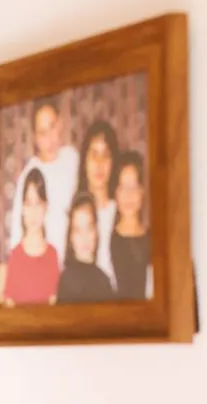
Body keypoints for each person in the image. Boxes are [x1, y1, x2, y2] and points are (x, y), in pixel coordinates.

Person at [7, 96, 80, 265]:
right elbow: (17, 234)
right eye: (42, 133)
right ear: (34, 137)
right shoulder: (30, 174)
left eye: (52, 126)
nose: (50, 138)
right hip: (43, 264)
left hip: (73, 262)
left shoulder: (73, 159)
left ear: (61, 123)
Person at [2, 168, 59, 306]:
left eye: (38, 203)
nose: (33, 211)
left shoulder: (52, 255)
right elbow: (9, 305)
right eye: (28, 203)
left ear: (45, 207)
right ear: (22, 208)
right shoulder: (15, 256)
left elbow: (54, 305)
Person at [76, 119, 121, 287]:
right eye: (94, 154)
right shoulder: (74, 215)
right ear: (84, 161)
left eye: (106, 155)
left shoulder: (120, 213)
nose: (99, 163)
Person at [56, 193, 115, 304]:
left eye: (89, 228)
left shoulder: (103, 280)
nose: (84, 237)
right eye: (78, 230)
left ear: (96, 232)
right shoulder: (67, 281)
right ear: (70, 237)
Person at [110, 150, 152, 300]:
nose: (128, 196)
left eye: (133, 187)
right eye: (123, 187)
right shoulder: (108, 239)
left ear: (142, 191)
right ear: (115, 192)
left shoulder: (153, 239)